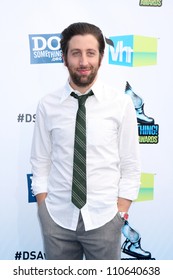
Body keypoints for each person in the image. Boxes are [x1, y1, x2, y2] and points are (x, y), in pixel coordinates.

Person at [30, 22, 141, 260]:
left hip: (105, 220)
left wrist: (119, 214)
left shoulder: (120, 104)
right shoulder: (47, 105)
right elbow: (40, 161)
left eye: (91, 53)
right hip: (56, 220)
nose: (83, 62)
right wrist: (43, 208)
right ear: (64, 58)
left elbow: (130, 165)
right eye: (76, 53)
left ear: (101, 57)